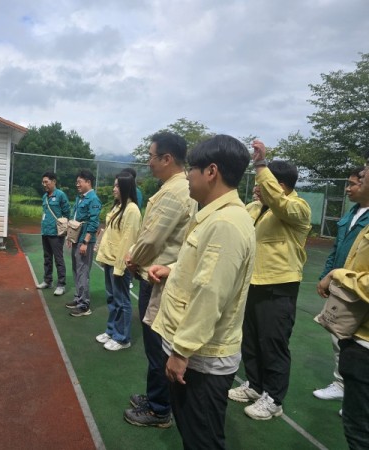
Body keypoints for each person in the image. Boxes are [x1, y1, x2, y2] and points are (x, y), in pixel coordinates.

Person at [150, 134, 256, 449]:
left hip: (201, 359)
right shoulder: (216, 216)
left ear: (211, 172)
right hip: (198, 354)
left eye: (191, 169)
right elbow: (208, 273)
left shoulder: (225, 222)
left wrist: (181, 351)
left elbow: (212, 293)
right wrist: (174, 271)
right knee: (196, 434)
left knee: (202, 440)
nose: (186, 176)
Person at [228, 140, 312, 420]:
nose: (257, 186)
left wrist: (261, 165)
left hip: (279, 287)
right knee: (250, 339)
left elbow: (280, 204)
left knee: (273, 342)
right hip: (251, 284)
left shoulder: (298, 208)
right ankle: (255, 386)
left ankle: (274, 399)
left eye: (265, 182)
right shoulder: (255, 209)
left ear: (281, 186)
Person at [123, 131, 195, 428]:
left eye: (151, 157)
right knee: (155, 344)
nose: (149, 163)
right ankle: (156, 397)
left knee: (156, 347)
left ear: (167, 159)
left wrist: (132, 258)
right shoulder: (175, 188)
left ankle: (159, 409)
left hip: (159, 277)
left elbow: (152, 239)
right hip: (159, 274)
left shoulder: (174, 192)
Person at [317, 160, 369, 448]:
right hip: (343, 288)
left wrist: (338, 276)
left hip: (355, 292)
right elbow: (338, 250)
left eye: (359, 178)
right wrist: (329, 275)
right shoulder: (352, 214)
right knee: (340, 337)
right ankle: (343, 386)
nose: (354, 183)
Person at [95, 173, 141, 351]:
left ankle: (123, 338)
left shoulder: (132, 210)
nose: (114, 189)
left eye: (117, 186)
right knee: (112, 298)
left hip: (119, 263)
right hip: (109, 259)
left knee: (122, 301)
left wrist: (121, 267)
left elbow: (128, 240)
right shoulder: (118, 206)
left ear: (125, 187)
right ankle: (112, 330)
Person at [65, 170, 102, 317]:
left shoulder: (93, 199)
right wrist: (70, 237)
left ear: (88, 182)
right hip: (76, 238)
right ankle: (78, 297)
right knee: (76, 270)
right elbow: (75, 219)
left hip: (84, 240)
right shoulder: (80, 198)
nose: (77, 184)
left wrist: (85, 242)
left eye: (80, 182)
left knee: (83, 272)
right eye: (77, 182)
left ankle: (84, 304)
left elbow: (93, 222)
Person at [35, 172, 71, 296]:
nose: (44, 184)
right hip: (45, 231)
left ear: (54, 181)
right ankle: (47, 281)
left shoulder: (60, 195)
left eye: (46, 182)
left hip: (56, 233)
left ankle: (61, 284)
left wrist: (64, 227)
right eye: (43, 182)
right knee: (47, 258)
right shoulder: (44, 196)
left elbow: (67, 212)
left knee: (58, 259)